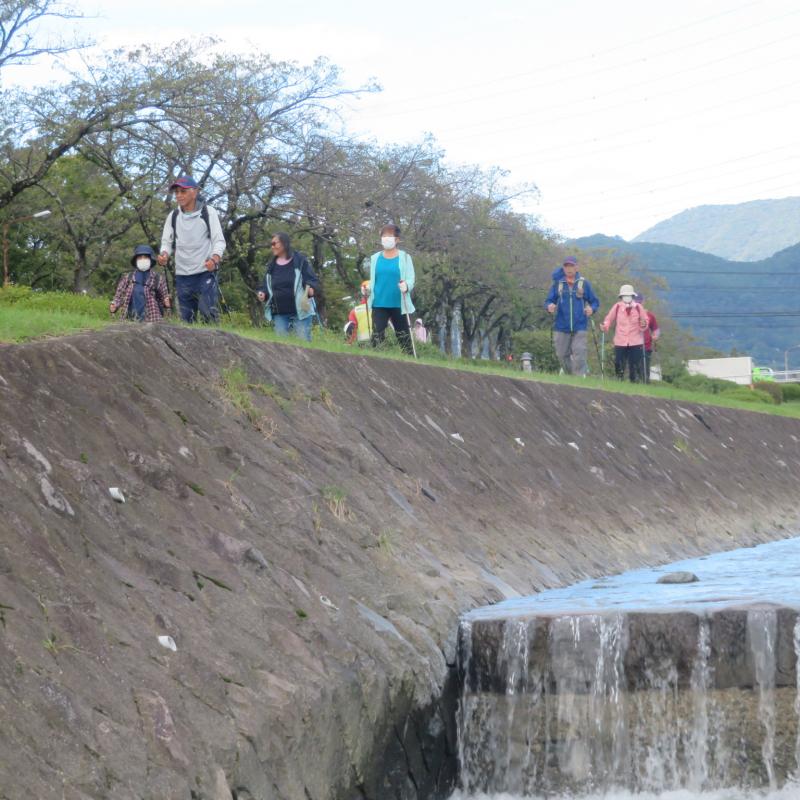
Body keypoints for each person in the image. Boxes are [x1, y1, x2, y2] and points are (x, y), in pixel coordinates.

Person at [158, 176, 226, 323]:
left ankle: (215, 345)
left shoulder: (208, 212)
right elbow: (166, 242)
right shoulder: (174, 215)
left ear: (194, 192)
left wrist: (214, 259)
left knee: (208, 314)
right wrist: (164, 254)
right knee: (187, 320)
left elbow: (219, 241)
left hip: (205, 272)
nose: (178, 195)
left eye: (183, 191)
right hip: (182, 275)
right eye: (176, 192)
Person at [256, 232, 319, 341]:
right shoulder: (272, 266)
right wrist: (263, 293)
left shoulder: (300, 260)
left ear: (284, 243)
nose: (272, 247)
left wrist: (310, 289)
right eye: (271, 244)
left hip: (301, 312)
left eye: (274, 243)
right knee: (281, 347)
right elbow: (265, 285)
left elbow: (311, 279)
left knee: (303, 345)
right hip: (279, 313)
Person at [545, 256, 600, 376]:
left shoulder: (583, 283)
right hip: (561, 326)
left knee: (579, 353)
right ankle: (570, 377)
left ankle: (579, 379)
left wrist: (592, 309)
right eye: (566, 266)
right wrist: (549, 306)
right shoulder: (558, 284)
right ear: (563, 268)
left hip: (580, 326)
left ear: (577, 267)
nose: (569, 269)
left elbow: (595, 301)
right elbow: (549, 300)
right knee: (561, 355)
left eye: (571, 266)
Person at [366, 223, 415, 355]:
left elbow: (411, 279)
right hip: (379, 303)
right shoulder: (375, 258)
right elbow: (373, 279)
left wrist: (406, 286)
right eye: (384, 236)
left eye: (389, 236)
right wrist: (367, 288)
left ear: (397, 239)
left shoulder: (405, 257)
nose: (386, 239)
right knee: (377, 335)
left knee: (403, 336)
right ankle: (374, 359)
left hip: (398, 303)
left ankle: (410, 361)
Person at [109, 245, 171, 322]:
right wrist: (114, 305)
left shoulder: (158, 279)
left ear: (151, 259)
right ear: (136, 260)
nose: (143, 259)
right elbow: (119, 296)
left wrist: (166, 302)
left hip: (153, 319)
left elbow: (164, 298)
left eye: (145, 257)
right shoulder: (127, 277)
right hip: (129, 319)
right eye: (140, 257)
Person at [601, 284, 649, 382]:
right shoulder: (617, 307)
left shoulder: (639, 307)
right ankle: (619, 380)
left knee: (634, 366)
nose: (626, 298)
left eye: (629, 296)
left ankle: (634, 383)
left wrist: (644, 324)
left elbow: (645, 321)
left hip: (636, 341)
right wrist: (605, 326)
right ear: (621, 297)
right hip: (620, 341)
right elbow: (609, 319)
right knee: (618, 363)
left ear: (632, 296)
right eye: (624, 296)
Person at [635, 292, 660, 382]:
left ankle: (646, 383)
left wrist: (655, 335)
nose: (638, 304)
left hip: (646, 346)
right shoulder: (629, 315)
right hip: (633, 345)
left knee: (645, 368)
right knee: (635, 368)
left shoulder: (650, 315)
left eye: (640, 302)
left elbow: (656, 329)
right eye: (637, 302)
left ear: (643, 302)